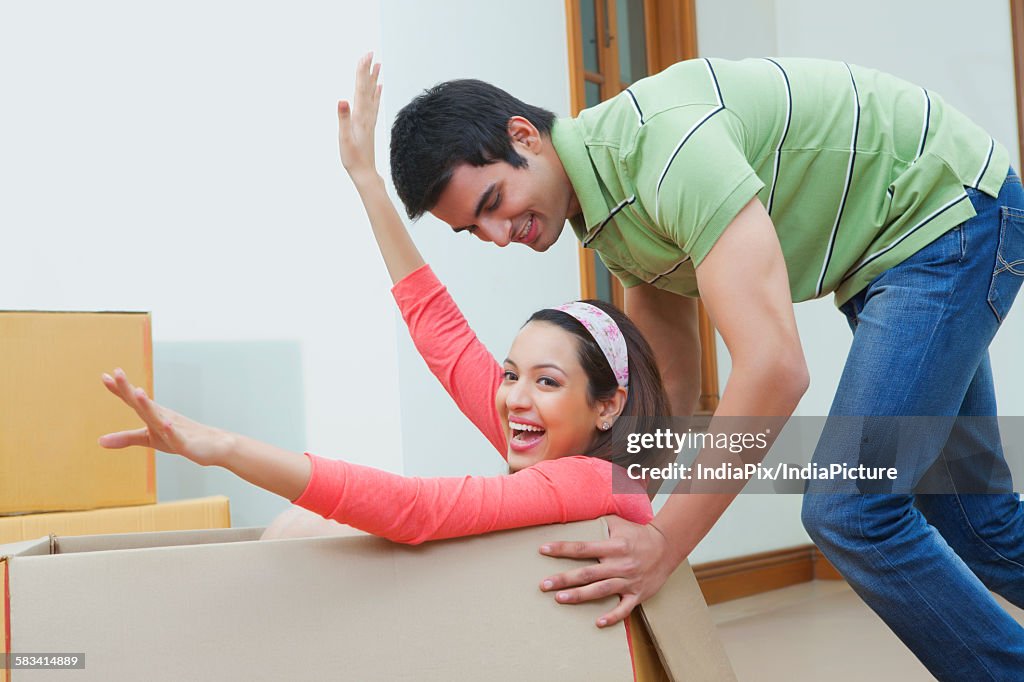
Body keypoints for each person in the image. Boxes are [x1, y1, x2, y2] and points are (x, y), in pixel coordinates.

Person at [387, 55, 1024, 679]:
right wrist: (623, 517)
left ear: (523, 136)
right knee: (974, 517)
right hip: (904, 244)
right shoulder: (609, 212)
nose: (499, 235)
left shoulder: (661, 151)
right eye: (475, 228)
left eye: (495, 200)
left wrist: (666, 544)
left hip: (949, 211)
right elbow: (671, 385)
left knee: (851, 507)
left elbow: (774, 368)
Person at [98, 53, 669, 563]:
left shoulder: (591, 481)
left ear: (606, 407)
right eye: (511, 374)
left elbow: (415, 509)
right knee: (305, 531)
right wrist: (366, 179)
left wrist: (227, 448)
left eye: (546, 381)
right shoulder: (562, 448)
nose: (515, 395)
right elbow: (440, 333)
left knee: (304, 531)